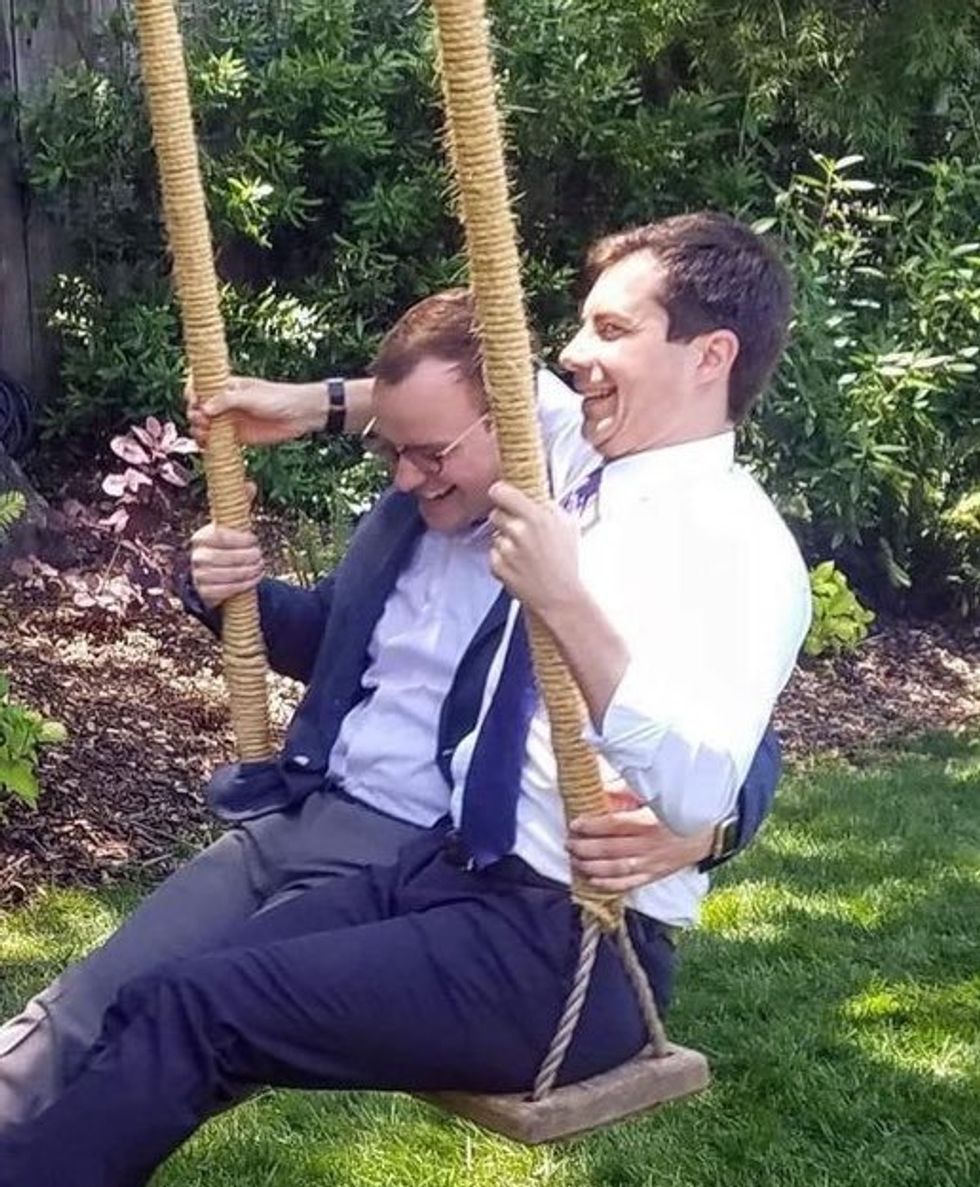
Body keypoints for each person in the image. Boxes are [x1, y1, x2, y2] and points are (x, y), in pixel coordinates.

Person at [0, 211, 811, 1187]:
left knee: (199, 1012)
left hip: (565, 944)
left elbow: (704, 774)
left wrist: (704, 820)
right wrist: (309, 405)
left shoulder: (735, 541)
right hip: (447, 872)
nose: (570, 353)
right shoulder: (593, 471)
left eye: (610, 330)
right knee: (158, 994)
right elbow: (473, 390)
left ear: (707, 354)